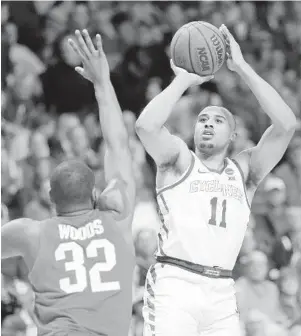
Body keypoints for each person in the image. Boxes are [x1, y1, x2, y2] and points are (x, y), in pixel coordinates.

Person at [135, 24, 297, 336]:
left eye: (218, 120)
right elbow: (145, 127)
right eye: (202, 119)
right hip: (175, 282)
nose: (208, 123)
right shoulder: (179, 159)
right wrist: (184, 78)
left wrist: (242, 67)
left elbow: (287, 125)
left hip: (222, 288)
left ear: (233, 135)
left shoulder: (245, 171)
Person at [1, 29, 136, 336]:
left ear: (51, 197)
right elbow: (118, 145)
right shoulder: (117, 222)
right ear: (94, 193)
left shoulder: (29, 233)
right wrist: (102, 82)